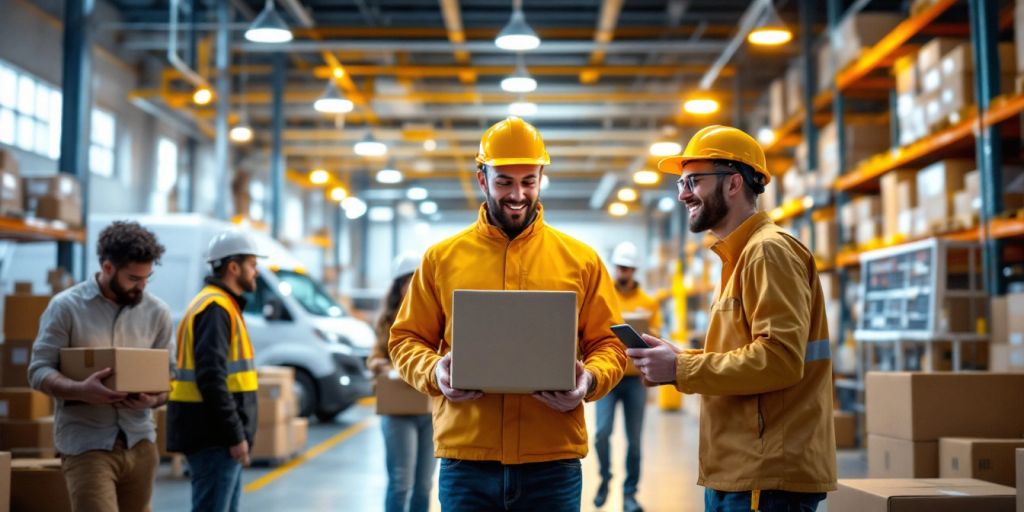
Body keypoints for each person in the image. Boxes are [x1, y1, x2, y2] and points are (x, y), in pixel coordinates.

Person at [388, 116, 627, 511]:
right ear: (482, 179)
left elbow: (609, 343)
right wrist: (434, 371)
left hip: (552, 462)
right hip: (467, 461)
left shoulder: (580, 260)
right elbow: (405, 339)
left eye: (528, 181)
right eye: (504, 182)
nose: (517, 194)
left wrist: (589, 380)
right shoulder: (441, 259)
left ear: (540, 178)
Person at [626, 125, 837, 511]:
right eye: (680, 182)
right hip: (745, 469)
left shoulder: (767, 252)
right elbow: (748, 351)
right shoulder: (739, 258)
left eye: (693, 180)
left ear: (734, 183)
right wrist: (682, 359)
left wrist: (681, 370)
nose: (683, 193)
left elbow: (780, 360)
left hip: (767, 477)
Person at [28, 220, 173, 511]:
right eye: (134, 278)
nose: (142, 286)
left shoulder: (157, 313)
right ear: (107, 268)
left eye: (147, 278)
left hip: (141, 443)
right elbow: (38, 371)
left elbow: (168, 377)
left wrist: (154, 398)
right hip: (86, 445)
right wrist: (82, 390)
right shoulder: (66, 308)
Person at [167, 230, 264, 512]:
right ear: (234, 267)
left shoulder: (220, 305)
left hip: (213, 433)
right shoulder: (215, 308)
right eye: (252, 265)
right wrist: (235, 436)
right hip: (213, 437)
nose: (256, 272)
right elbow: (211, 377)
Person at [594, 241, 662, 512]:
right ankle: (604, 478)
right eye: (621, 267)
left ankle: (629, 494)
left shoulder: (648, 302)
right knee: (601, 433)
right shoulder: (605, 295)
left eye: (628, 268)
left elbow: (656, 336)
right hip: (609, 376)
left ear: (634, 270)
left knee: (634, 442)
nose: (624, 273)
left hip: (635, 380)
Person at [367, 252, 435, 512]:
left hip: (429, 409)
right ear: (398, 287)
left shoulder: (435, 317)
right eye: (407, 281)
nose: (413, 287)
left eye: (417, 280)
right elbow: (374, 358)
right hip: (397, 410)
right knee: (400, 482)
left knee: (424, 484)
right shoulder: (388, 321)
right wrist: (386, 366)